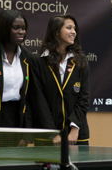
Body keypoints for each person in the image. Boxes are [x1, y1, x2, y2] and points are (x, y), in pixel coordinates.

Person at [34, 15, 90, 145]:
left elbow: (84, 98)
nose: (73, 32)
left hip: (76, 135)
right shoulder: (40, 61)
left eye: (74, 28)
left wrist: (75, 128)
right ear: (56, 32)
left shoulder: (81, 61)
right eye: (69, 28)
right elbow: (39, 101)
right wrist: (52, 133)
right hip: (48, 135)